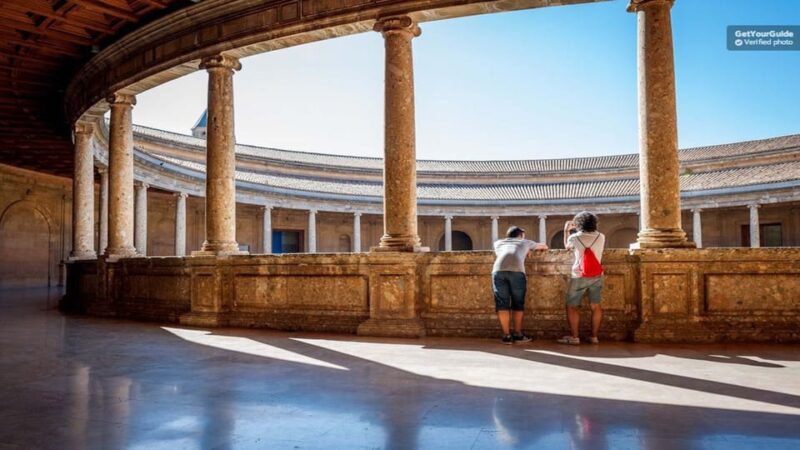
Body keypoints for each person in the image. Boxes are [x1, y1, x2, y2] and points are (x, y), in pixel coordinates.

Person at [492, 226, 548, 344]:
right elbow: (544, 246)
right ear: (521, 235)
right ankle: (518, 334)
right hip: (517, 271)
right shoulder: (525, 242)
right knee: (518, 303)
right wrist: (527, 249)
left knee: (502, 303)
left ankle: (506, 335)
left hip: (498, 270)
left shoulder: (498, 243)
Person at [558, 211, 606, 345]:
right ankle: (594, 336)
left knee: (571, 306)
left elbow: (567, 248)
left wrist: (566, 231)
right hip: (597, 274)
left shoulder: (574, 237)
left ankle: (574, 337)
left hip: (579, 275)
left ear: (578, 224)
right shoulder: (601, 236)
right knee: (595, 306)